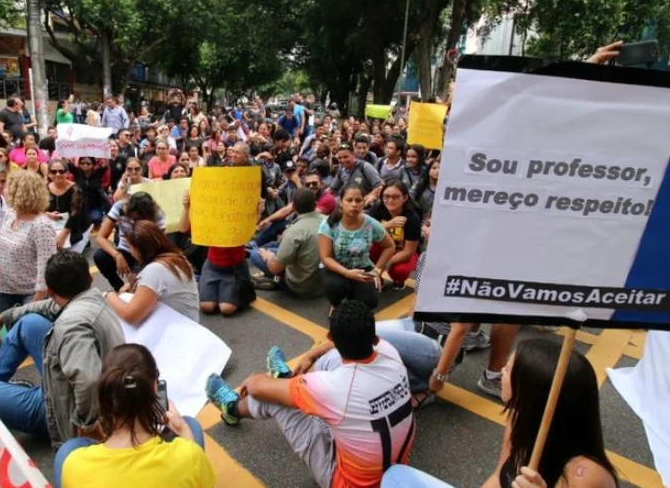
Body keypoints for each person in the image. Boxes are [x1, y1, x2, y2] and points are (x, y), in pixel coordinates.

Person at [205, 299, 414, 488]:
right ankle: (289, 381)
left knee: (275, 400)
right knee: (330, 360)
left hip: (345, 481)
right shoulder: (390, 353)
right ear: (375, 338)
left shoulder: (335, 388)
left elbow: (258, 387)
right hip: (392, 472)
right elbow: (341, 347)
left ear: (331, 336)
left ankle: (232, 409)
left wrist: (255, 380)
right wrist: (311, 355)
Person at [382, 339, 618, 488]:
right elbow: (498, 478)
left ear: (532, 393)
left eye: (509, 369)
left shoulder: (587, 477)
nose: (501, 370)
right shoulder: (519, 419)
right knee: (395, 477)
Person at [0, 251, 125, 446]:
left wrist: (86, 426)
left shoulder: (71, 326)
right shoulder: (94, 298)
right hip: (89, 392)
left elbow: (89, 381)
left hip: (64, 410)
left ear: (50, 290)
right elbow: (46, 306)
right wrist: (3, 317)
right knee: (28, 323)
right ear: (90, 278)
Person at [55, 344, 215, 488]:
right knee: (191, 425)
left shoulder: (74, 465)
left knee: (68, 448)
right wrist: (184, 431)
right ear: (154, 390)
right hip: (183, 464)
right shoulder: (188, 457)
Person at [0, 171, 57, 314]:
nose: (4, 190)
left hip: (30, 294)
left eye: (8, 186)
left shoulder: (41, 226)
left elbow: (47, 267)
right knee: (0, 331)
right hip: (4, 290)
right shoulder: (11, 214)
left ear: (20, 192)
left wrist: (36, 304)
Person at [319, 184, 396, 311]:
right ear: (341, 202)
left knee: (370, 301)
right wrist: (347, 273)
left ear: (364, 202)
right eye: (349, 200)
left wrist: (376, 270)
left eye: (358, 200)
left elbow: (390, 246)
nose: (354, 204)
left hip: (362, 267)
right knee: (335, 287)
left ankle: (353, 297)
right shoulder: (328, 224)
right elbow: (325, 257)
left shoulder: (371, 224)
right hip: (335, 268)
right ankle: (335, 304)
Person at [104, 221, 199, 322]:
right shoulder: (175, 257)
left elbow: (130, 316)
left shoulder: (155, 270)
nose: (130, 252)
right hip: (188, 321)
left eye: (130, 247)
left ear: (140, 249)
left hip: (175, 329)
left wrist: (109, 295)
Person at [178, 191, 249, 317]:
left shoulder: (240, 210)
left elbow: (252, 227)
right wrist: (186, 207)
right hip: (213, 265)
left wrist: (258, 210)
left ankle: (243, 286)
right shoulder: (209, 213)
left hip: (234, 268)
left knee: (226, 309)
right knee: (207, 306)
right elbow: (183, 228)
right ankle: (219, 291)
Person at [250, 189, 325, 298]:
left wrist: (267, 257)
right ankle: (276, 278)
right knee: (271, 249)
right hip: (323, 285)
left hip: (299, 287)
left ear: (293, 207)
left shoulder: (294, 231)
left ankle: (277, 281)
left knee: (256, 253)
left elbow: (275, 268)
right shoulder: (329, 221)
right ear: (315, 205)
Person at [367, 179, 421, 289]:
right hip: (383, 248)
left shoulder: (412, 217)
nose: (390, 200)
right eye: (386, 196)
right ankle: (377, 279)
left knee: (399, 271)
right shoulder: (377, 209)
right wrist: (387, 225)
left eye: (395, 197)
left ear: (405, 198)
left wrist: (382, 265)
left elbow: (408, 252)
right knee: (365, 248)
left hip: (402, 251)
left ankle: (398, 280)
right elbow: (363, 233)